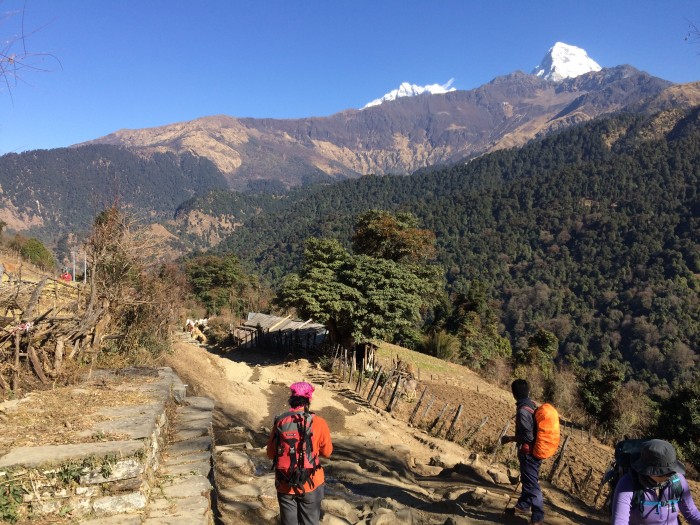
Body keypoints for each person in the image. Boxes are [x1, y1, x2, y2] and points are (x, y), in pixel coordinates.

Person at [267, 381, 333, 525]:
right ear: (309, 399)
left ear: (291, 398)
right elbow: (327, 452)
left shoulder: (280, 421)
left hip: (285, 482)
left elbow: (271, 454)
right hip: (311, 482)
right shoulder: (319, 422)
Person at [611, 439, 700, 524]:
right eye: (665, 473)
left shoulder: (678, 480)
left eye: (672, 471)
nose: (671, 475)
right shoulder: (627, 484)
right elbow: (620, 522)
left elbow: (692, 514)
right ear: (648, 471)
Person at [501, 378, 544, 525]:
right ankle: (522, 506)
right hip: (537, 452)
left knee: (532, 485)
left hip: (529, 453)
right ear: (528, 391)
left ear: (514, 394)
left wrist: (510, 438)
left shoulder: (522, 412)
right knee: (528, 480)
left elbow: (528, 436)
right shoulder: (531, 405)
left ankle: (537, 517)